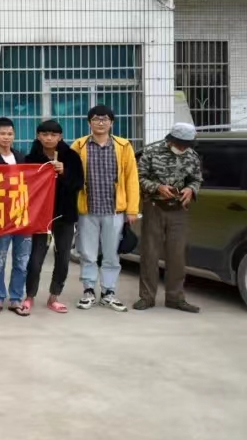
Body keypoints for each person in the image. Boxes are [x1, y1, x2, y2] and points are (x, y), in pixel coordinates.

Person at [70, 105, 139, 312]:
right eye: (96, 119)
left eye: (105, 119)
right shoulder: (79, 146)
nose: (100, 123)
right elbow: (72, 178)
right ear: (89, 122)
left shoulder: (123, 146)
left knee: (111, 254)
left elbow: (131, 179)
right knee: (88, 253)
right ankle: (88, 290)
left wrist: (132, 209)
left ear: (112, 122)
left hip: (114, 210)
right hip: (87, 210)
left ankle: (109, 292)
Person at [135, 123, 203, 313]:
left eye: (186, 145)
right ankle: (147, 297)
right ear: (171, 140)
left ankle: (175, 298)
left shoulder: (191, 155)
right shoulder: (151, 152)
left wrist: (191, 189)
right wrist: (157, 187)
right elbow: (139, 177)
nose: (182, 148)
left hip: (179, 209)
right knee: (150, 254)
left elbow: (197, 179)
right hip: (154, 207)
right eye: (180, 144)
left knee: (177, 256)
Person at [24, 120, 83, 314]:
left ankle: (54, 296)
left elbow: (79, 184)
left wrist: (64, 172)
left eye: (53, 135)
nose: (49, 138)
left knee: (63, 257)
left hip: (64, 215)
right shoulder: (31, 158)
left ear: (60, 137)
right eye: (45, 134)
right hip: (40, 215)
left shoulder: (71, 157)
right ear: (38, 136)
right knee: (35, 258)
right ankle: (29, 296)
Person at [0, 117, 32, 316]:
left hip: (22, 218)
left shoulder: (22, 158)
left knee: (22, 261)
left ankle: (15, 298)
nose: (6, 137)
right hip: (1, 219)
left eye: (10, 134)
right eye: (2, 133)